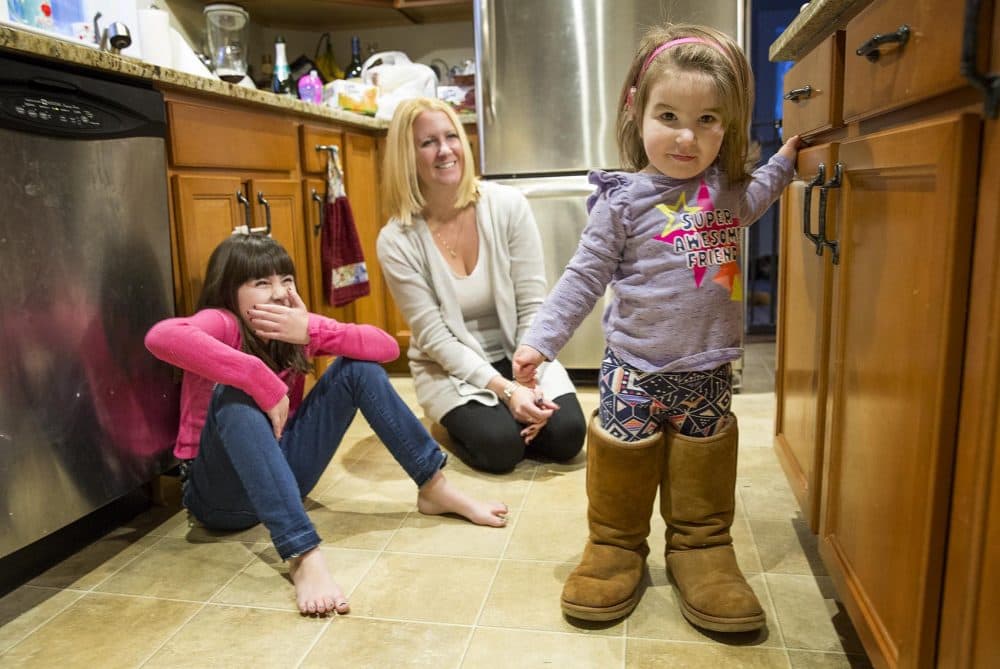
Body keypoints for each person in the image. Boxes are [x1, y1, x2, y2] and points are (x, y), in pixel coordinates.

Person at [513, 23, 802, 631]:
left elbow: (766, 192)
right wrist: (541, 338)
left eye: (707, 121)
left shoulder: (728, 192)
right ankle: (616, 546)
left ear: (728, 127)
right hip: (633, 373)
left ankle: (702, 549)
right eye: (668, 115)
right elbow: (584, 276)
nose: (685, 136)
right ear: (636, 111)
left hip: (708, 370)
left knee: (705, 464)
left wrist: (791, 155)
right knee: (623, 463)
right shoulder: (622, 201)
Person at [145, 233, 508, 617]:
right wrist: (254, 375)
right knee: (235, 396)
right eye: (261, 283)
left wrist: (311, 330)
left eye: (286, 280)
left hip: (282, 472)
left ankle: (434, 488)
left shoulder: (295, 328)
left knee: (359, 368)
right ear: (230, 293)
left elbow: (385, 347)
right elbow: (160, 336)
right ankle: (303, 554)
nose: (280, 293)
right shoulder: (222, 323)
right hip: (219, 498)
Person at [376, 97, 586, 474]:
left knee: (567, 436)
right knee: (501, 450)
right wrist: (506, 392)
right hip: (450, 367)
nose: (445, 151)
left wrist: (527, 376)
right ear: (406, 157)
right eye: (427, 143)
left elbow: (531, 303)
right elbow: (437, 340)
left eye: (451, 136)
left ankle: (509, 412)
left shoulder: (507, 205)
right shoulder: (396, 241)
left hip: (518, 352)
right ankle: (454, 420)